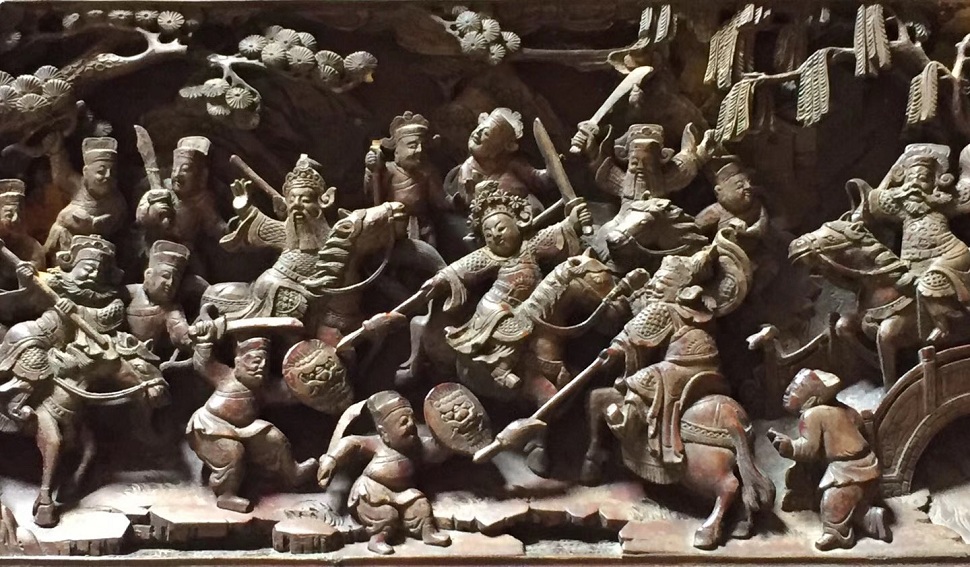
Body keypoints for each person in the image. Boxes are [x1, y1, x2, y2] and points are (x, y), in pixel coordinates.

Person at [422, 181, 590, 390]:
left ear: (519, 223)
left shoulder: (531, 245)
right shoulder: (488, 256)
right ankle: (501, 369)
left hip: (531, 303)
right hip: (498, 307)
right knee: (512, 330)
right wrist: (440, 279)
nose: (496, 236)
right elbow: (460, 268)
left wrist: (573, 221)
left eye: (501, 228)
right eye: (489, 235)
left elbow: (557, 232)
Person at [186, 334, 316, 513]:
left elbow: (289, 394)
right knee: (232, 454)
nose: (260, 367)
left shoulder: (264, 388)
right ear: (238, 362)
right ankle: (226, 495)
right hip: (211, 426)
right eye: (254, 362)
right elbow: (203, 365)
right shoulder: (225, 375)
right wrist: (204, 341)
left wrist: (310, 382)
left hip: (243, 428)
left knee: (273, 438)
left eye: (265, 363)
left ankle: (293, 473)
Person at [0, 235, 125, 420]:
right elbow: (26, 304)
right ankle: (12, 404)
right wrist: (25, 281)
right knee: (35, 366)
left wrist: (78, 310)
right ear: (73, 266)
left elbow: (109, 316)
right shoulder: (52, 283)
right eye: (88, 269)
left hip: (70, 348)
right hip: (37, 335)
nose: (94, 275)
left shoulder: (111, 299)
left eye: (101, 272)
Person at [767, 368, 892, 550]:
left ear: (811, 400)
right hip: (869, 466)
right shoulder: (847, 409)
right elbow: (861, 430)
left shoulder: (812, 415)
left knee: (831, 503)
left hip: (847, 470)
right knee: (845, 502)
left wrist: (790, 447)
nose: (788, 391)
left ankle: (837, 534)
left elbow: (808, 450)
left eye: (795, 388)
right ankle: (870, 518)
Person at [318, 391, 451, 555]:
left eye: (412, 420)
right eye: (403, 422)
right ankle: (377, 540)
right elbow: (352, 442)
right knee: (387, 515)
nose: (411, 425)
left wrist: (449, 440)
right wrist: (332, 459)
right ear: (384, 433)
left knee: (420, 505)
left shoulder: (417, 445)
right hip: (372, 492)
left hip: (403, 492)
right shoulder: (377, 444)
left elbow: (437, 449)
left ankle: (428, 533)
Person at [864, 143, 970, 343]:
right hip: (910, 262)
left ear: (935, 182)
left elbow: (967, 188)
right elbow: (872, 201)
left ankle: (944, 327)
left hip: (950, 253)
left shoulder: (945, 201)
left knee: (928, 283)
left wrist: (967, 156)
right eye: (910, 178)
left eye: (923, 179)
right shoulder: (900, 206)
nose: (915, 184)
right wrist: (894, 172)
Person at [365, 112, 453, 245]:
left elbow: (440, 200)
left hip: (423, 227)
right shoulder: (388, 170)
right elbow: (373, 194)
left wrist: (455, 201)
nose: (419, 150)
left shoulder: (428, 171)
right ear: (397, 150)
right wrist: (371, 170)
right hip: (394, 226)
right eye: (412, 146)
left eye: (422, 146)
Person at [44, 137, 127, 259]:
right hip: (68, 246)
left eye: (112, 172)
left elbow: (119, 225)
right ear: (86, 172)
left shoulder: (117, 200)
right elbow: (61, 176)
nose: (108, 176)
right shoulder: (77, 186)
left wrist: (96, 223)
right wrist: (56, 152)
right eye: (101, 172)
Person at [123, 240, 193, 357]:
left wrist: (192, 336)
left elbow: (180, 331)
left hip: (147, 356)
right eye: (165, 276)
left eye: (176, 280)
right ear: (148, 274)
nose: (170, 283)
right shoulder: (130, 293)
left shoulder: (171, 309)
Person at [0, 179, 45, 290]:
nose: (16, 219)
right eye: (9, 215)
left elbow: (39, 274)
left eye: (19, 214)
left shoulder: (32, 247)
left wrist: (30, 269)